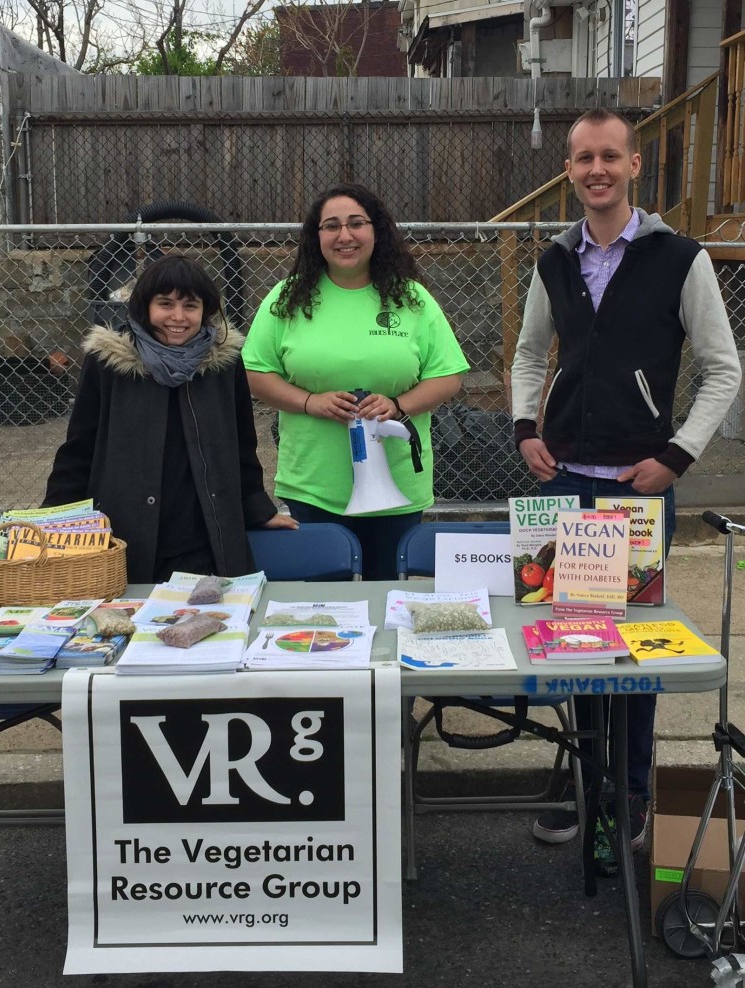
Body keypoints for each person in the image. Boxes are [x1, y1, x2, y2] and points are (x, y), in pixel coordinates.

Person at [510, 108, 742, 871]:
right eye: (584, 159)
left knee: (633, 656)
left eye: (611, 156)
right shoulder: (555, 260)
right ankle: (588, 787)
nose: (597, 170)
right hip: (570, 484)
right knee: (574, 648)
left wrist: (677, 455)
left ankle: (632, 796)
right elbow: (527, 353)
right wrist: (525, 429)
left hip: (638, 494)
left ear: (635, 166)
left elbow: (722, 368)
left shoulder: (681, 258)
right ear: (570, 170)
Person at [242, 183, 469, 580]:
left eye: (356, 224)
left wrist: (398, 406)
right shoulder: (287, 298)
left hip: (397, 489)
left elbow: (448, 375)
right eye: (331, 226)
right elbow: (254, 373)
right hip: (314, 486)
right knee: (319, 610)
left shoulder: (412, 299)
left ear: (376, 231)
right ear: (317, 238)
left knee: (384, 605)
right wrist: (311, 402)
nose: (344, 236)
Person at [41, 254, 297, 584]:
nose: (178, 317)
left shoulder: (224, 364)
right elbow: (79, 448)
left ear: (205, 311)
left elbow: (242, 447)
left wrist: (258, 510)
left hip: (204, 538)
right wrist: (53, 519)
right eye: (165, 304)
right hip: (126, 536)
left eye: (190, 306)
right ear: (144, 307)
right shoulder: (107, 363)